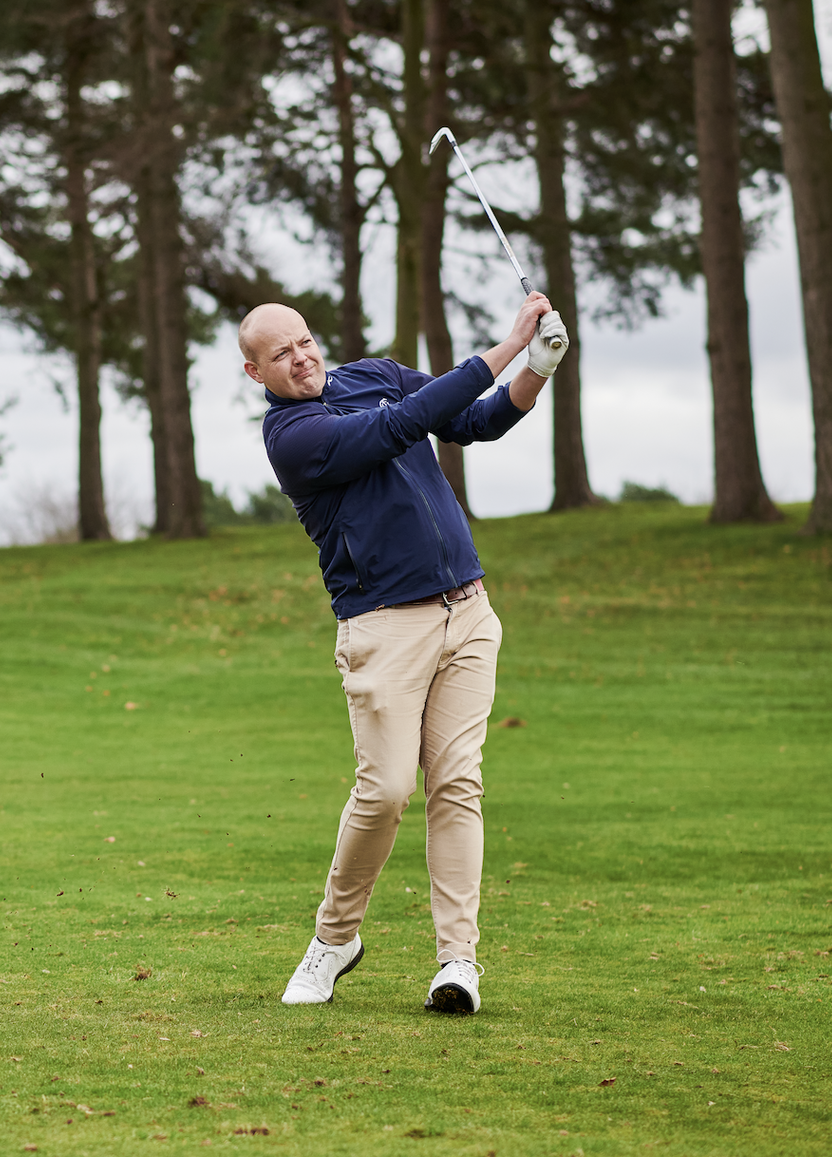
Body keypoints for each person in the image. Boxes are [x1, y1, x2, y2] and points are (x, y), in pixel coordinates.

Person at [243, 292, 568, 1015]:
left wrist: (536, 371)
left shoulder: (377, 373)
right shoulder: (292, 436)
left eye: (304, 342)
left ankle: (459, 962)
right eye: (280, 354)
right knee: (385, 791)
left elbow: (474, 421)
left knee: (457, 784)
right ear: (254, 370)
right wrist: (509, 342)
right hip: (383, 628)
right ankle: (334, 940)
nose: (301, 358)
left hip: (468, 612)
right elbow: (403, 426)